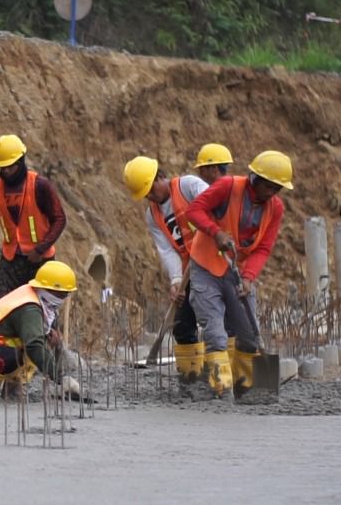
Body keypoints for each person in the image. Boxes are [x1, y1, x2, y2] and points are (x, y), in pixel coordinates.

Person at [184, 151, 291, 399]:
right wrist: (216, 233)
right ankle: (221, 391)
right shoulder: (227, 187)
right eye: (269, 186)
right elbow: (194, 211)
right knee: (215, 331)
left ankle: (248, 389)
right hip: (207, 266)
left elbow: (263, 247)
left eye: (278, 188)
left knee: (247, 333)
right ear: (255, 178)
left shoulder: (275, 208)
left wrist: (249, 277)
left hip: (238, 271)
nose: (272, 192)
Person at [123, 156, 210, 388]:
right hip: (189, 270)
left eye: (151, 190)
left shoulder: (189, 186)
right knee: (182, 325)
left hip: (216, 262)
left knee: (219, 321)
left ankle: (227, 379)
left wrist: (203, 243)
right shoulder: (152, 215)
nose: (150, 197)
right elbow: (167, 250)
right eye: (145, 195)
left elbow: (217, 211)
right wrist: (175, 279)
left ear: (159, 177)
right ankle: (191, 381)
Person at [0, 260, 76, 393]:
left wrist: (52, 340)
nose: (64, 298)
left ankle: (13, 387)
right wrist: (59, 378)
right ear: (50, 290)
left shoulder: (35, 296)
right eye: (63, 294)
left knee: (31, 346)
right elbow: (34, 345)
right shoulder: (29, 307)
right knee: (24, 351)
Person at [0, 134, 68, 301]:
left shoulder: (40, 186)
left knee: (42, 309)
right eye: (2, 167)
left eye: (10, 167)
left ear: (20, 162)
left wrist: (40, 249)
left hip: (41, 261)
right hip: (11, 258)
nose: (6, 171)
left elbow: (59, 219)